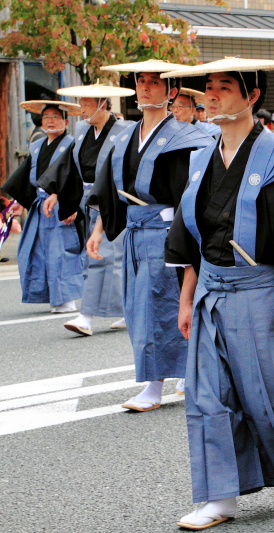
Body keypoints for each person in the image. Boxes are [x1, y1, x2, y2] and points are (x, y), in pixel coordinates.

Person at [162, 57, 274, 531]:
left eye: (225, 87)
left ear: (253, 97)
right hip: (210, 291)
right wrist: (186, 297)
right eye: (209, 87)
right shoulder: (200, 158)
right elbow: (189, 232)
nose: (213, 95)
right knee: (208, 397)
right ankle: (219, 497)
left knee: (270, 395)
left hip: (259, 290)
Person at [87, 59, 214, 411]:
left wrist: (187, 236)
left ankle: (166, 381)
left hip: (169, 231)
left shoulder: (187, 137)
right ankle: (166, 377)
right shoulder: (125, 135)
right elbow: (111, 191)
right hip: (134, 231)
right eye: (140, 81)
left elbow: (192, 194)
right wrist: (99, 230)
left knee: (168, 305)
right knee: (139, 307)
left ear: (171, 91)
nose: (144, 87)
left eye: (153, 82)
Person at [41, 83, 135, 336]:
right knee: (104, 258)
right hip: (88, 201)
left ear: (103, 104)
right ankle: (128, 311)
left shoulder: (125, 131)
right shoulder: (81, 131)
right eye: (81, 103)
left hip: (114, 203)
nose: (82, 109)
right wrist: (56, 193)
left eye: (87, 104)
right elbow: (68, 168)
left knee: (104, 258)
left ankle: (86, 316)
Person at [1, 100, 84, 313]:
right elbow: (29, 176)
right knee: (35, 251)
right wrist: (19, 202)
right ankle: (49, 294)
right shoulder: (37, 146)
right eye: (46, 117)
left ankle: (66, 298)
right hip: (40, 206)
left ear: (66, 121)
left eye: (55, 117)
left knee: (61, 251)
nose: (50, 121)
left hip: (61, 204)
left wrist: (70, 203)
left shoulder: (73, 144)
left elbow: (75, 177)